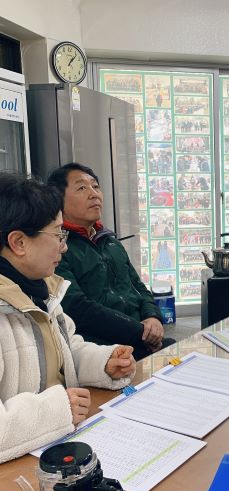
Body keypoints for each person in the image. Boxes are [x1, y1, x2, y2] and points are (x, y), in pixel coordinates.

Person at [0, 174, 135, 463]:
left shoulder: (42, 290)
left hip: (55, 445)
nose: (64, 246)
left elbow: (65, 351)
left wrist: (103, 362)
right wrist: (58, 410)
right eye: (58, 235)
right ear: (19, 242)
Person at [47, 163, 174, 361]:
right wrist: (141, 333)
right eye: (82, 188)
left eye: (95, 186)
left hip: (139, 340)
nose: (94, 194)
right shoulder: (58, 248)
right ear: (58, 199)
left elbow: (138, 287)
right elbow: (78, 309)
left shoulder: (111, 242)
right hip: (102, 353)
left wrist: (153, 317)